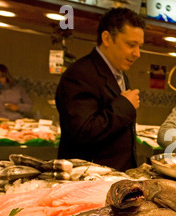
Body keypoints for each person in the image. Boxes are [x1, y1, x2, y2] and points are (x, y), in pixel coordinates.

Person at [56, 8, 144, 172]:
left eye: (139, 46)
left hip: (116, 177)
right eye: (131, 45)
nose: (137, 53)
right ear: (107, 38)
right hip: (88, 180)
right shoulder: (80, 73)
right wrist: (124, 105)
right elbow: (81, 132)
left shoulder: (122, 76)